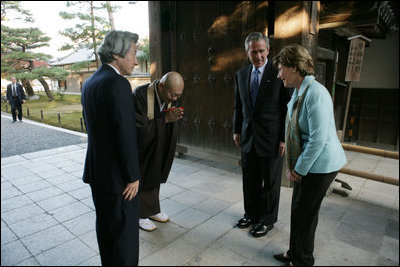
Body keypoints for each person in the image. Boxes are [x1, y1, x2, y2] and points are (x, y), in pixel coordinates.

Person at [272, 44, 347, 266]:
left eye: (281, 68)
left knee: (305, 212)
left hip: (322, 164)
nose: (278, 74)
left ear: (295, 67)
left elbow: (318, 140)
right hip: (309, 161)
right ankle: (294, 252)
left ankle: (303, 260)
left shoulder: (316, 94)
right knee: (299, 209)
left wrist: (297, 169)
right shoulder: (299, 91)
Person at [81, 30, 141, 266]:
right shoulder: (118, 83)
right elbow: (124, 134)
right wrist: (133, 176)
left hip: (98, 173)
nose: (136, 61)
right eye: (134, 54)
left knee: (107, 234)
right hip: (118, 180)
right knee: (124, 240)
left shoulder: (91, 82)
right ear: (117, 54)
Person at [233, 32, 291, 238]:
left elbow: (287, 108)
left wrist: (284, 137)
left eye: (261, 51)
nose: (258, 55)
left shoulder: (279, 73)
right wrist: (236, 130)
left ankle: (267, 220)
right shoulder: (240, 75)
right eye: (253, 51)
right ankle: (251, 214)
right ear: (247, 52)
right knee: (250, 179)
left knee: (270, 182)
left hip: (272, 139)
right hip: (248, 136)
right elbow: (238, 107)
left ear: (268, 50)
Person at [133, 71, 184, 231]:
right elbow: (138, 128)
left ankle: (153, 210)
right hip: (143, 147)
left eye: (178, 96)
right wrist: (167, 119)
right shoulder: (140, 95)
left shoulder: (169, 94)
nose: (175, 99)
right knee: (144, 174)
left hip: (159, 142)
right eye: (172, 95)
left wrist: (172, 118)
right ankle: (140, 215)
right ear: (162, 86)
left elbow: (166, 118)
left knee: (155, 173)